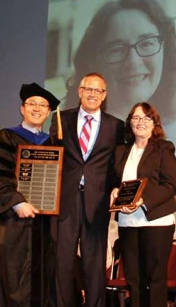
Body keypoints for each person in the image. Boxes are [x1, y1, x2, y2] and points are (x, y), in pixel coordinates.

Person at [63, 0, 176, 185]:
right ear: (95, 60)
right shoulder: (75, 137)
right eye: (116, 49)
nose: (133, 62)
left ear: (165, 52)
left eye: (147, 43)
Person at [49, 72, 125, 307]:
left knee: (94, 262)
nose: (93, 94)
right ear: (79, 91)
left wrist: (116, 189)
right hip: (65, 199)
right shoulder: (61, 118)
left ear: (104, 95)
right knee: (62, 261)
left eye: (98, 91)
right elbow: (53, 157)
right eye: (88, 89)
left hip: (98, 201)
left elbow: (117, 165)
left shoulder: (116, 125)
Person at [0, 82, 60, 307]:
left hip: (44, 223)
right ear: (22, 108)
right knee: (15, 278)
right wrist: (18, 202)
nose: (37, 108)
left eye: (43, 105)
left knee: (43, 278)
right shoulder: (6, 137)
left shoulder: (52, 143)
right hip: (14, 223)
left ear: (48, 112)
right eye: (32, 104)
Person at [110, 102, 176, 307]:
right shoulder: (121, 150)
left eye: (146, 118)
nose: (141, 122)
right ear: (129, 122)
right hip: (127, 223)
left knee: (155, 280)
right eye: (136, 118)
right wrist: (114, 191)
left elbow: (169, 186)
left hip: (157, 222)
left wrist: (143, 201)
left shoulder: (164, 148)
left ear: (154, 123)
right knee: (133, 280)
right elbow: (115, 181)